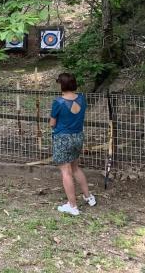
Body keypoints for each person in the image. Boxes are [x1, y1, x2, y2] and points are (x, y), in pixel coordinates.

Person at [51, 72, 96, 216]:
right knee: (75, 168)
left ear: (62, 85)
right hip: (78, 136)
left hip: (63, 138)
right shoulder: (82, 99)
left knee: (66, 172)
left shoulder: (58, 102)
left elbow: (52, 123)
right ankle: (88, 196)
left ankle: (72, 206)